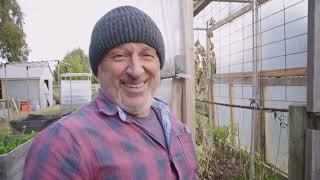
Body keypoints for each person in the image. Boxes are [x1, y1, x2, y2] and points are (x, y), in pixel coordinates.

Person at [23, 5, 198, 180]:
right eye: (120, 56)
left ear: (158, 65)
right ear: (98, 69)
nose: (136, 70)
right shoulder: (64, 144)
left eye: (147, 55)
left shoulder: (172, 122)